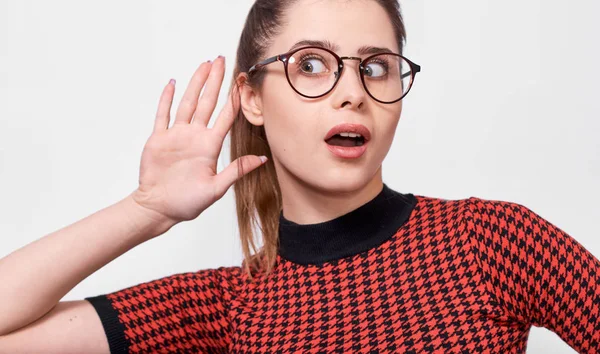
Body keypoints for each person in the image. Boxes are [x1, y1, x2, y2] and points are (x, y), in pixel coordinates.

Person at [0, 0, 599, 353]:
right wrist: (147, 209)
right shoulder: (229, 307)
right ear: (251, 99)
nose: (351, 93)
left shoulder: (486, 241)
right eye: (311, 64)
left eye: (376, 67)